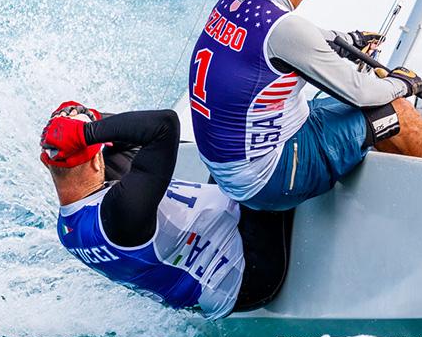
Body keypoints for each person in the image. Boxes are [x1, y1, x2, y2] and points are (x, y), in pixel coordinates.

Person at [188, 0, 422, 211]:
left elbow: (293, 41)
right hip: (266, 180)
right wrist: (405, 82)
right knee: (397, 113)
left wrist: (348, 41)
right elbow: (360, 93)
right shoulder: (285, 31)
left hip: (225, 167)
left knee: (325, 104)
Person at [40, 101, 294, 319]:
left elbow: (128, 141)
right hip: (248, 273)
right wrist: (89, 130)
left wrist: (84, 121)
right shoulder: (120, 213)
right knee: (268, 131)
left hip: (215, 274)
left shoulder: (69, 225)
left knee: (229, 138)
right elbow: (164, 124)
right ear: (97, 161)